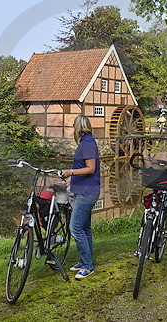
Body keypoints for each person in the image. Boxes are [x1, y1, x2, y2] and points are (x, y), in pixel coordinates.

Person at [61, 114, 100, 280]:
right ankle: (86, 260)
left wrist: (71, 172)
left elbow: (90, 168)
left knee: (75, 227)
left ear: (78, 127)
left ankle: (87, 266)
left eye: (73, 126)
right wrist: (70, 179)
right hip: (81, 189)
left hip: (87, 191)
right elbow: (82, 167)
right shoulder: (85, 142)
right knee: (84, 228)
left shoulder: (88, 143)